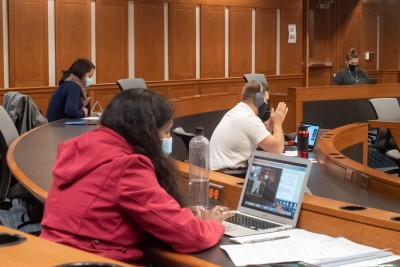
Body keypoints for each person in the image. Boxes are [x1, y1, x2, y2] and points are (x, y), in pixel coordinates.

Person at [40, 89, 234, 265]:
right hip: (95, 260)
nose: (167, 139)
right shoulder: (127, 166)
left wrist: (178, 212)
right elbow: (192, 237)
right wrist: (213, 224)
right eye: (165, 131)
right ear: (146, 131)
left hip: (55, 256)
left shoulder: (83, 148)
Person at [210, 80, 288, 171]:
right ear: (258, 100)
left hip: (217, 173)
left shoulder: (237, 111)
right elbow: (277, 148)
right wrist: (278, 123)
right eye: (266, 100)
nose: (267, 104)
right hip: (229, 176)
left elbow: (257, 140)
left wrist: (269, 126)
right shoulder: (249, 119)